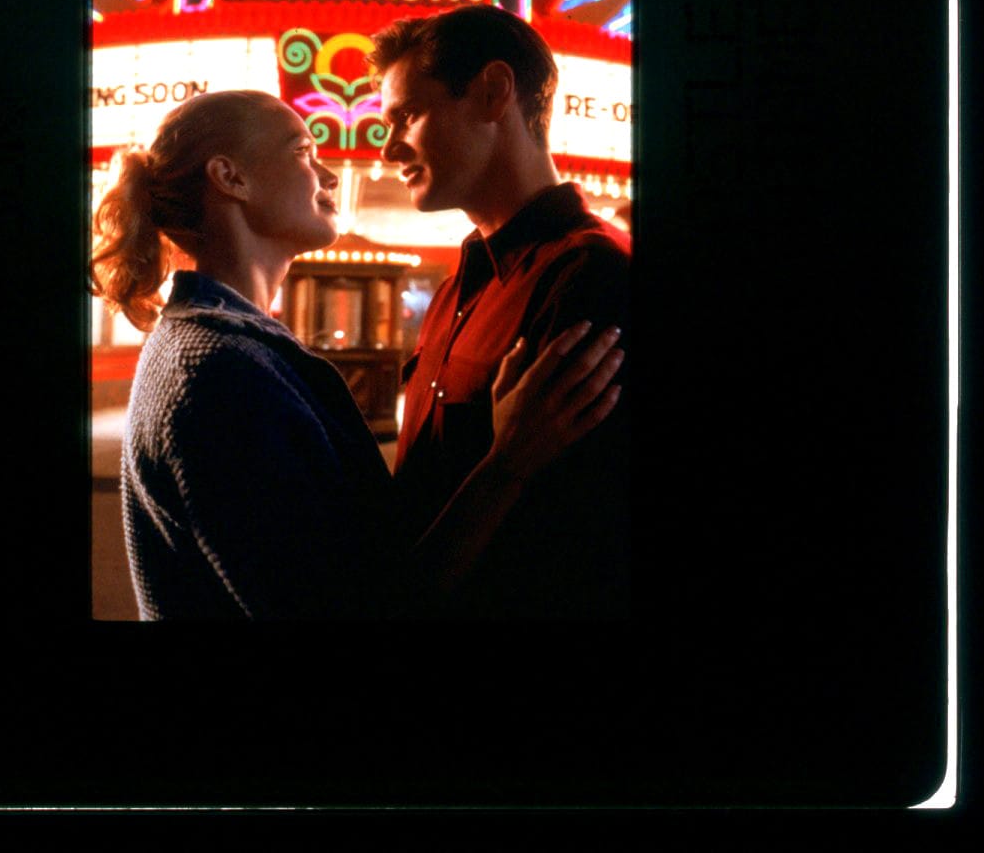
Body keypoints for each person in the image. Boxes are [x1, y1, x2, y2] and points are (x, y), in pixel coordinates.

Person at [90, 88, 623, 620]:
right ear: (231, 178)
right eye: (302, 152)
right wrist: (510, 460)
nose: (329, 176)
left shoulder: (224, 344)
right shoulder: (215, 372)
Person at [370, 5, 632, 619]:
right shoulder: (455, 287)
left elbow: (581, 539)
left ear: (492, 93)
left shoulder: (592, 273)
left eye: (406, 114)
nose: (387, 148)